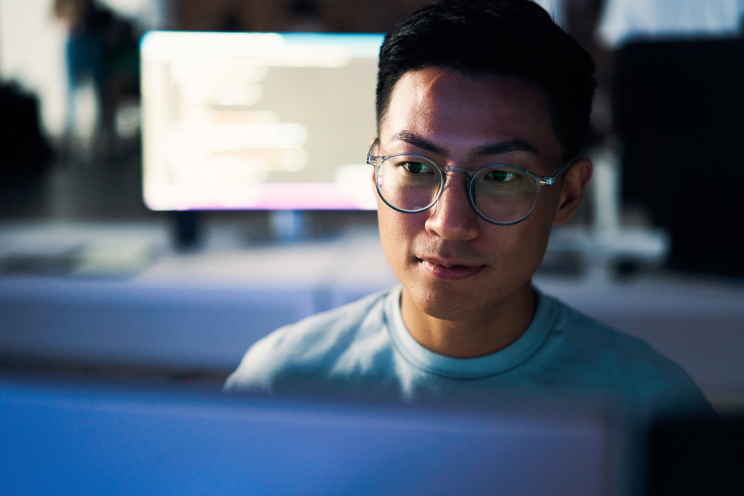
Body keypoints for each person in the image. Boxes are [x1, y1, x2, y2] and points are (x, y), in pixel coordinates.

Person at [225, 0, 714, 419]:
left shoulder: (651, 410)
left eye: (502, 176)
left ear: (567, 194)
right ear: (376, 169)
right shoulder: (281, 386)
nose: (450, 223)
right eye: (415, 167)